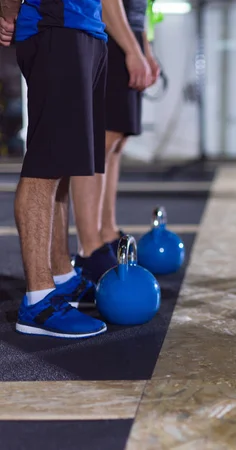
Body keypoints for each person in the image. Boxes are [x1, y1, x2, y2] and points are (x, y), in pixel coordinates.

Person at [0, 0, 109, 336]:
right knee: (44, 167)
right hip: (54, 26)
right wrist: (7, 11)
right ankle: (38, 300)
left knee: (61, 164)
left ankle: (62, 278)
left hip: (85, 27)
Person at [70, 0, 160, 289]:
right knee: (100, 144)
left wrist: (145, 49)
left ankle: (107, 233)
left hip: (127, 36)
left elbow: (137, 9)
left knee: (116, 143)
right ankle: (89, 249)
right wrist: (133, 50)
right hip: (110, 37)